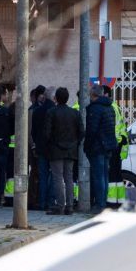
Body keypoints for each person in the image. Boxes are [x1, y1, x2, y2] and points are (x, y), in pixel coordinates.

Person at [44, 87, 83, 215]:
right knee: (69, 178)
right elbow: (81, 132)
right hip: (71, 150)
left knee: (58, 178)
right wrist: (75, 142)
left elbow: (47, 133)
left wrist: (50, 144)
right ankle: (70, 206)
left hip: (55, 150)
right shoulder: (75, 113)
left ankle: (60, 206)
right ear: (67, 98)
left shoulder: (51, 112)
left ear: (56, 98)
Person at [83, 84, 117, 213]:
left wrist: (86, 146)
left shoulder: (95, 109)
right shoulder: (110, 108)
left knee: (98, 176)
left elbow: (92, 130)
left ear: (93, 95)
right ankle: (102, 202)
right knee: (104, 175)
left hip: (97, 147)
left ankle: (100, 204)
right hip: (108, 145)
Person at [103, 85, 129, 206]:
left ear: (106, 94)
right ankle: (120, 200)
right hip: (118, 143)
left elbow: (112, 127)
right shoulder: (115, 106)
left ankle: (112, 201)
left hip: (114, 144)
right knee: (117, 175)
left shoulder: (110, 107)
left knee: (112, 174)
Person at [31, 85, 56, 210]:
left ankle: (42, 202)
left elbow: (33, 131)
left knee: (42, 176)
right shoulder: (55, 110)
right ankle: (51, 201)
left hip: (41, 148)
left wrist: (37, 143)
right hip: (54, 149)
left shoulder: (37, 111)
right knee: (54, 175)